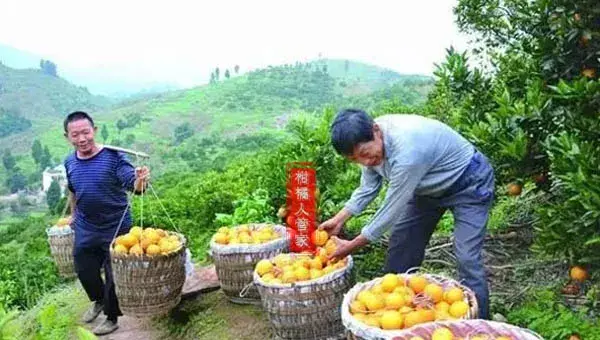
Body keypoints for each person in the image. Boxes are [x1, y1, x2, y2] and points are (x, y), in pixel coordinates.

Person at [319, 109, 494, 319]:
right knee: (402, 243)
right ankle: (393, 309)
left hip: (469, 182)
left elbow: (391, 210)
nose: (365, 162)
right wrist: (339, 220)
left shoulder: (408, 151)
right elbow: (368, 188)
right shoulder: (368, 144)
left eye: (365, 154)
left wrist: (352, 245)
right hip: (426, 187)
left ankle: (481, 322)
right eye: (356, 159)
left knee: (466, 256)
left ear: (376, 130)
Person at [63, 111, 150, 335]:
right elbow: (73, 191)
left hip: (116, 226)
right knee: (84, 269)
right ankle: (98, 301)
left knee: (113, 276)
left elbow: (134, 186)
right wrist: (74, 215)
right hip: (86, 225)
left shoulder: (113, 157)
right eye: (75, 135)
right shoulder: (70, 161)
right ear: (67, 137)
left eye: (86, 132)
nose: (82, 139)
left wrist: (139, 179)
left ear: (95, 130)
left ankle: (112, 317)